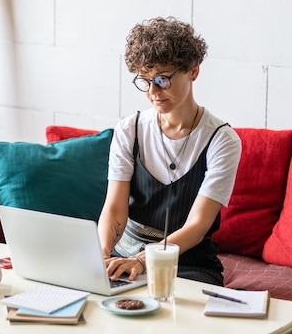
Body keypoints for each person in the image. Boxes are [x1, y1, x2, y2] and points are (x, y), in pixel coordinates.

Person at [97, 16, 242, 286]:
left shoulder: (222, 140)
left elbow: (197, 227)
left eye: (162, 79)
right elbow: (115, 208)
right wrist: (102, 255)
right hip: (125, 257)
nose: (153, 91)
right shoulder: (130, 129)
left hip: (187, 264)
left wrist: (141, 262)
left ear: (193, 71)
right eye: (144, 80)